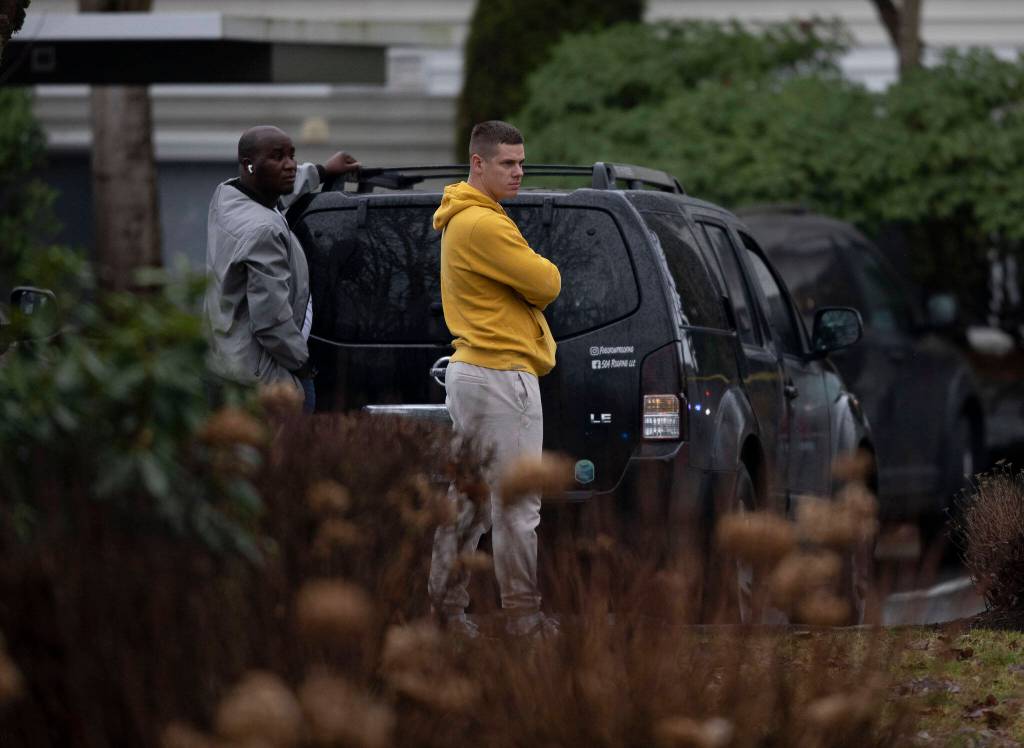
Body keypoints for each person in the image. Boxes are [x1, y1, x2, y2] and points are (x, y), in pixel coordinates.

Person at [428, 120, 562, 638]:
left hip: (478, 372)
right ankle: (523, 617)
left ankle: (444, 609)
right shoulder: (484, 223)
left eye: (521, 162)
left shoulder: (467, 217)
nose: (519, 172)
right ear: (477, 163)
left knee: (474, 500)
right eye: (507, 163)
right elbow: (547, 281)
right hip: (500, 374)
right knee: (516, 503)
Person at [204, 125, 358, 412]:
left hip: (227, 362)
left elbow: (275, 197)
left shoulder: (226, 196)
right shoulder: (264, 230)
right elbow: (271, 320)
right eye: (277, 157)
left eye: (292, 155)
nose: (290, 165)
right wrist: (302, 365)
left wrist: (323, 171)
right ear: (249, 165)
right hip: (266, 376)